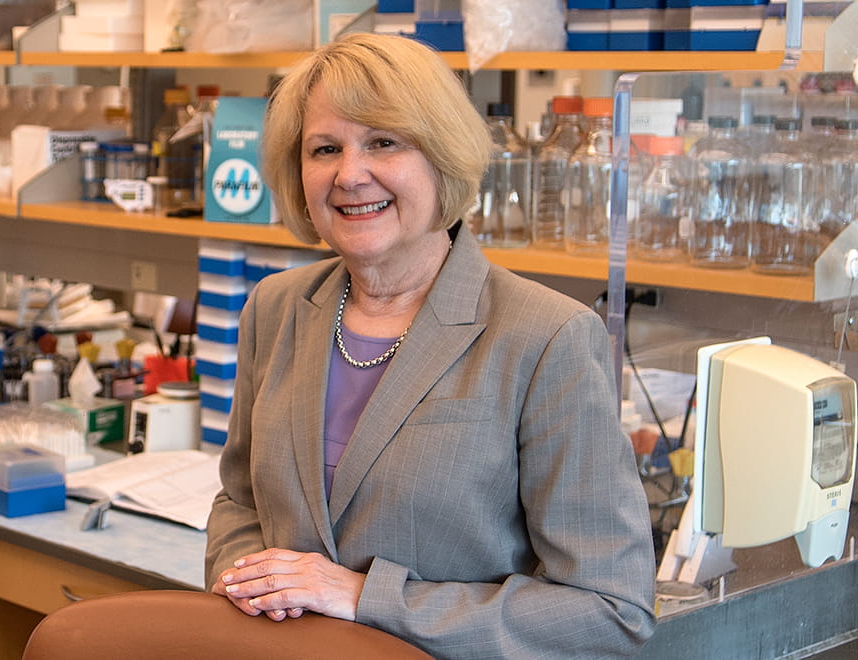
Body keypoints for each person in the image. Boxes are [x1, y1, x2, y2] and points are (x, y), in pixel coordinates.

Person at [204, 34, 656, 658]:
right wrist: (250, 582)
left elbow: (610, 613)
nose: (350, 174)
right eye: (325, 148)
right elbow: (240, 502)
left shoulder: (547, 337)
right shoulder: (275, 308)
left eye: (384, 142)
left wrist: (366, 596)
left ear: (442, 157)